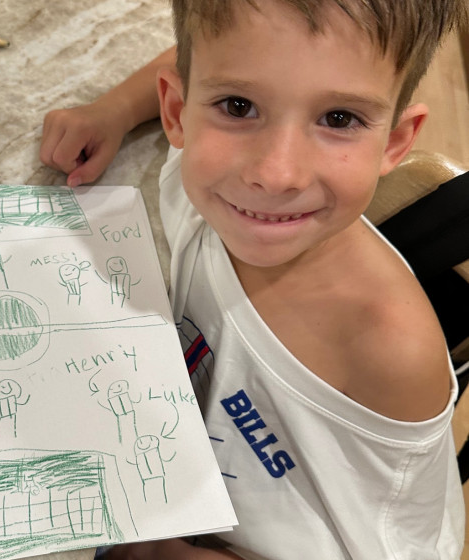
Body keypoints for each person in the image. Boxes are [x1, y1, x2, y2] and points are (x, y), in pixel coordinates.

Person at [40, 1, 468, 558]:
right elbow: (207, 51)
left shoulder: (386, 348)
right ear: (178, 112)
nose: (275, 174)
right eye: (239, 106)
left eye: (339, 118)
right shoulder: (208, 192)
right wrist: (113, 111)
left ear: (393, 142)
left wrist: (157, 551)